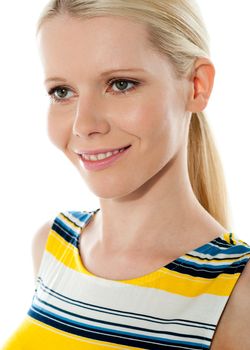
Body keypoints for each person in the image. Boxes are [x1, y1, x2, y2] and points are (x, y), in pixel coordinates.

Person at [2, 0, 250, 349]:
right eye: (62, 92)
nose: (84, 125)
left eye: (120, 84)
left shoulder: (239, 294)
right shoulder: (51, 245)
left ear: (197, 86)